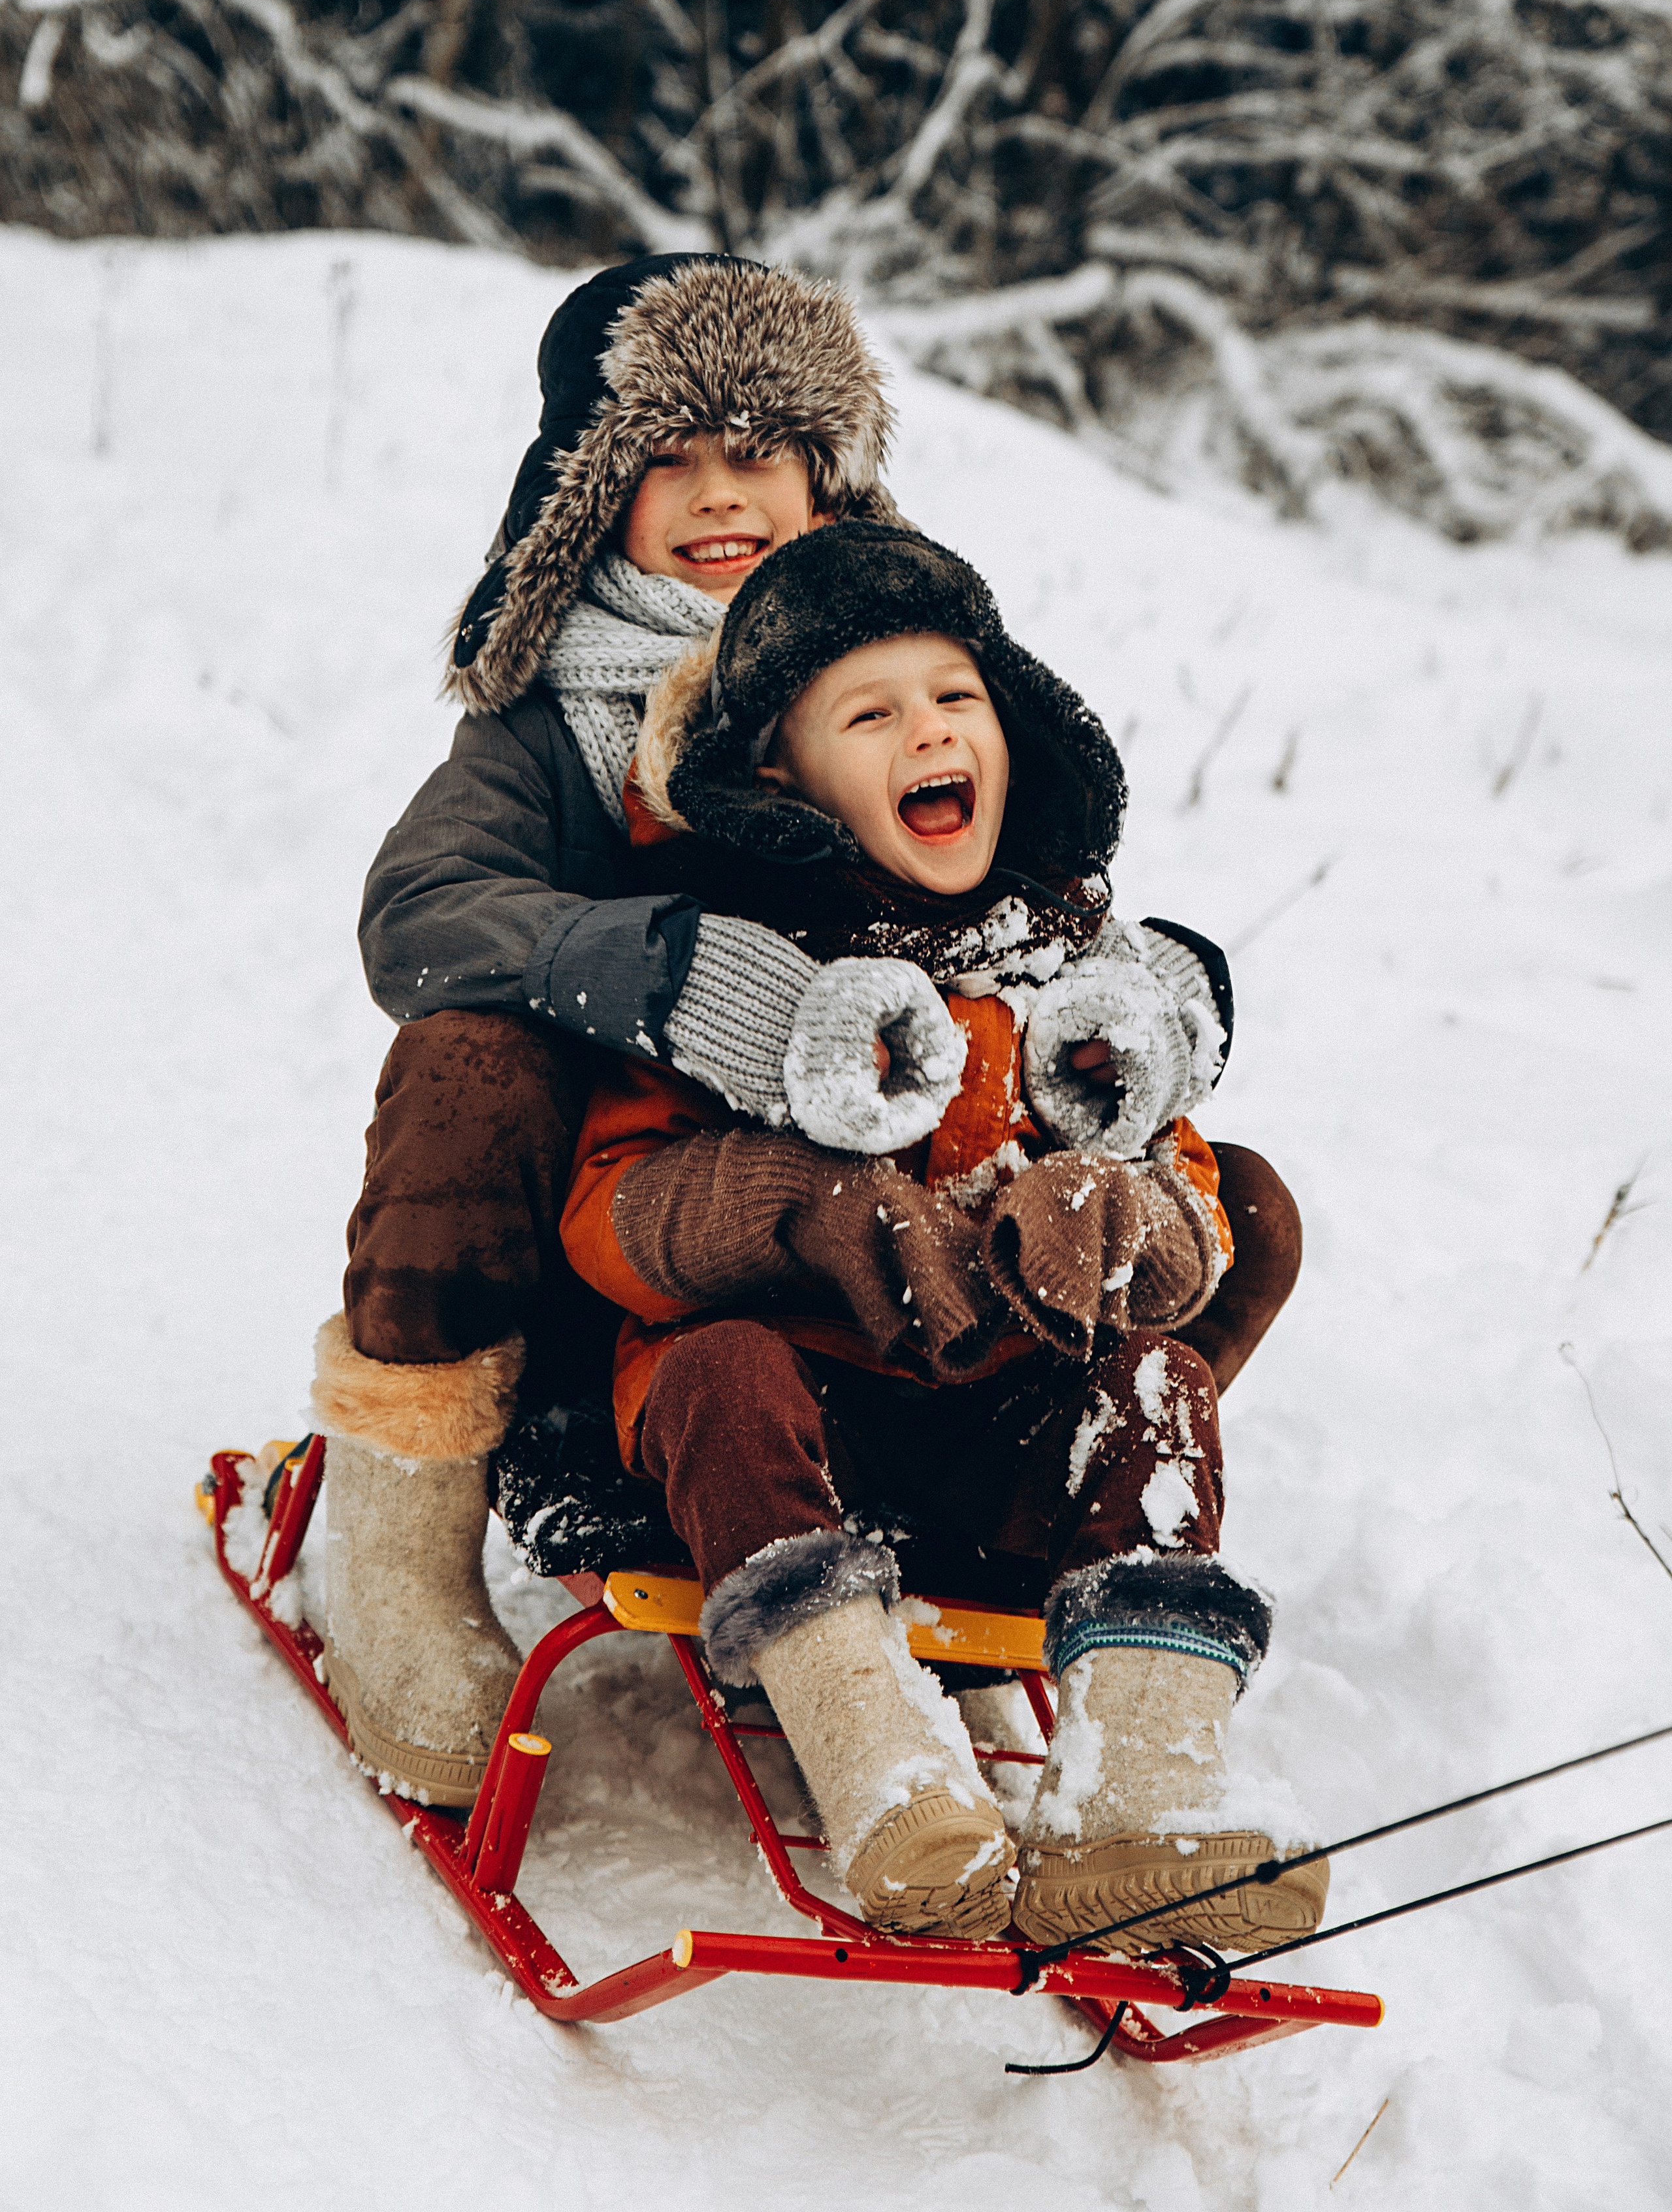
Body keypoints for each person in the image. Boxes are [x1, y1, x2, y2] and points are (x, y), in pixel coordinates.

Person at [305, 251, 1298, 1823]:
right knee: (468, 1061)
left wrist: (1135, 999)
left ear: (824, 471)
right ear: (588, 492)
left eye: (760, 449)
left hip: (913, 1233)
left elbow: (1018, 870)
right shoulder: (556, 720)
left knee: (1234, 1203)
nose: (722, 494)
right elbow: (422, 909)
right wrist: (672, 973)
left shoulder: (891, 654)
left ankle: (1018, 1487)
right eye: (667, 458)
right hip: (637, 1223)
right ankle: (399, 1551)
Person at [558, 523, 1324, 1954]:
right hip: (788, 1440)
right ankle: (887, 1779)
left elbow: (1199, 1203)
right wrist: (797, 1201)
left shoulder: (1079, 974)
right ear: (783, 778)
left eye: (956, 696)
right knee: (718, 1370)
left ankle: (1143, 1795)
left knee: (1155, 1387)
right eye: (870, 713)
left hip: (993, 1439)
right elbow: (611, 1210)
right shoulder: (734, 971)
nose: (928, 730)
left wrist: (1120, 1208)